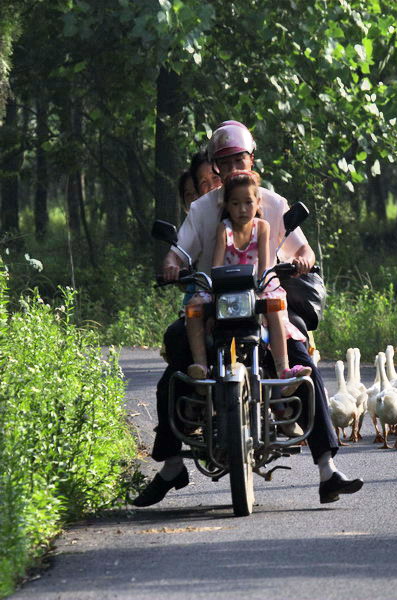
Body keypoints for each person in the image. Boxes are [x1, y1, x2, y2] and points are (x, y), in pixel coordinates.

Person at [133, 120, 362, 507]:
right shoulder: (204, 208)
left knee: (303, 359)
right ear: (215, 169)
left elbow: (302, 249)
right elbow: (181, 249)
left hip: (262, 304)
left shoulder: (271, 202)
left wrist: (303, 261)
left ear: (252, 159)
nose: (235, 166)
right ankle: (173, 464)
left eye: (240, 157)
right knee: (174, 363)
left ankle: (326, 469)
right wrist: (172, 263)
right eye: (225, 161)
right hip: (214, 307)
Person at [184, 168, 312, 390]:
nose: (242, 209)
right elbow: (217, 265)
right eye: (235, 203)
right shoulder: (224, 229)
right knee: (194, 306)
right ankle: (201, 367)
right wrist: (214, 292)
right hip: (226, 289)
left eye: (247, 202)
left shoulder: (262, 227)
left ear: (258, 202)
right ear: (226, 205)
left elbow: (264, 264)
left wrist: (262, 287)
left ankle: (283, 369)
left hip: (257, 286)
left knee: (275, 308)